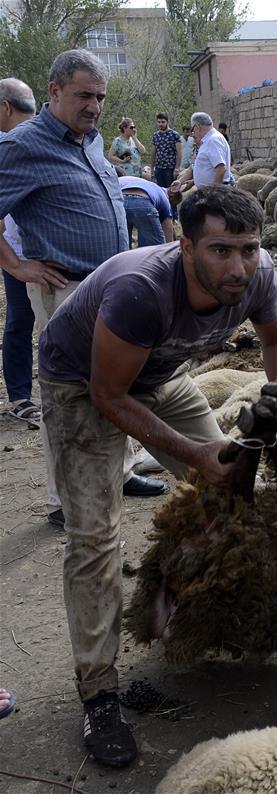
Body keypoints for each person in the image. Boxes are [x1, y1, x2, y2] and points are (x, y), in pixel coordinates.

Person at [38, 185, 277, 767]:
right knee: (94, 537)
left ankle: (194, 610)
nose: (238, 267)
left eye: (249, 248)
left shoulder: (255, 277)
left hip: (159, 373)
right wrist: (191, 451)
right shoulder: (141, 291)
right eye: (220, 251)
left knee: (230, 486)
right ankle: (99, 693)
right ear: (183, 246)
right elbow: (108, 394)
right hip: (81, 381)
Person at [0, 49, 164, 527]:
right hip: (66, 291)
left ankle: (123, 469)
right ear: (53, 92)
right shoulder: (23, 145)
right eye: (84, 95)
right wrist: (18, 266)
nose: (94, 105)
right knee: (68, 395)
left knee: (115, 384)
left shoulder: (90, 140)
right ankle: (63, 500)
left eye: (101, 97)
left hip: (111, 290)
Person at [0, 77, 40, 423]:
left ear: (5, 107)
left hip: (33, 253)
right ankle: (19, 397)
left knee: (24, 321)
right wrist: (14, 263)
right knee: (20, 320)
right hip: (22, 253)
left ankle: (22, 397)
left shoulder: (15, 143)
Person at [174, 112, 232, 189]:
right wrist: (181, 181)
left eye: (193, 129)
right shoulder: (206, 141)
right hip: (206, 192)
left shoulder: (213, 140)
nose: (193, 133)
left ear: (197, 127)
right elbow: (197, 166)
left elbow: (221, 169)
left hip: (212, 193)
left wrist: (213, 194)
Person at [118, 173, 174, 246]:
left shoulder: (148, 185)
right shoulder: (163, 196)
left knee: (123, 247)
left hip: (120, 202)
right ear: (170, 197)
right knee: (153, 250)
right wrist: (169, 249)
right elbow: (167, 227)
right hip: (142, 202)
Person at [151, 111, 182, 189]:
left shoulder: (175, 135)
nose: (161, 124)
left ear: (167, 122)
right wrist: (152, 168)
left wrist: (177, 168)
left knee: (170, 190)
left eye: (163, 122)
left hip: (170, 168)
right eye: (159, 122)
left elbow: (179, 152)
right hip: (158, 168)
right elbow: (153, 153)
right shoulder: (156, 135)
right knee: (160, 190)